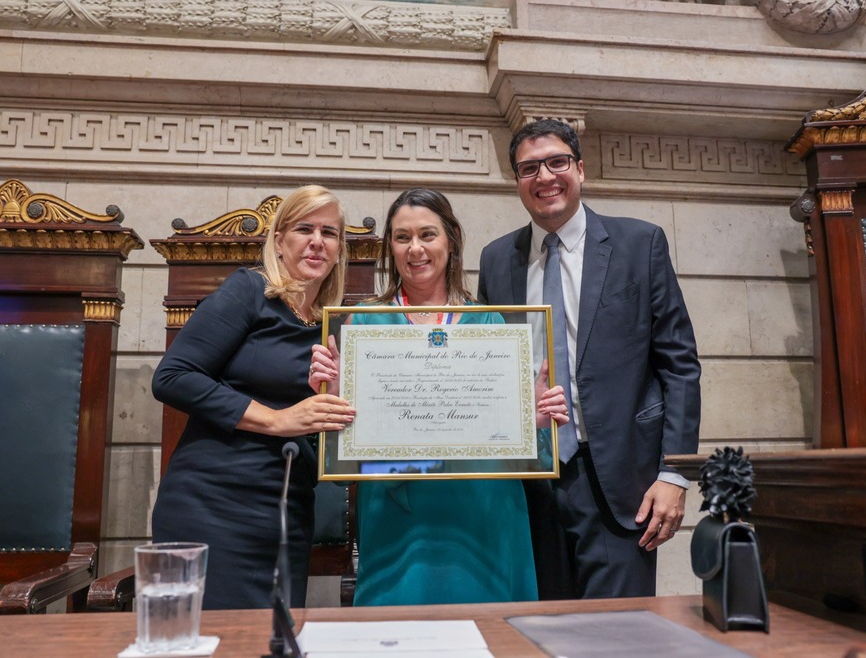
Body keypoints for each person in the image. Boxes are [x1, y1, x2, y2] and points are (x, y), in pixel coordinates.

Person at [310, 187, 569, 606]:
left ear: (451, 240)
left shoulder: (489, 321)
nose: (415, 249)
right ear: (389, 247)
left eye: (427, 235)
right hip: (397, 519)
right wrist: (335, 402)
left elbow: (523, 455)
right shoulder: (364, 324)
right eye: (402, 237)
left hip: (483, 511)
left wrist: (534, 421)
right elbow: (341, 464)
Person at [478, 119, 701, 599]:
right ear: (516, 181)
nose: (545, 177)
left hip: (622, 481)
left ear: (580, 169)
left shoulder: (639, 244)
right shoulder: (497, 259)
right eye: (529, 168)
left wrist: (675, 473)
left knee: (618, 639)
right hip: (530, 482)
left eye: (557, 162)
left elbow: (679, 365)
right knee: (537, 636)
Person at [150, 184, 357, 610]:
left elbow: (323, 439)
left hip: (286, 509)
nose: (317, 241)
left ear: (339, 250)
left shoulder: (337, 326)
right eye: (304, 229)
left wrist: (335, 409)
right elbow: (172, 376)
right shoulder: (249, 291)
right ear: (279, 241)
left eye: (330, 232)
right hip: (212, 500)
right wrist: (277, 420)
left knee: (274, 643)